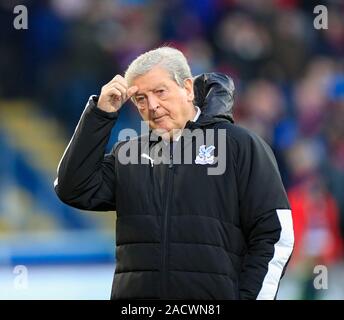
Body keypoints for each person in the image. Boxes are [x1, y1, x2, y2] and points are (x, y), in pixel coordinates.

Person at [54, 46, 294, 300]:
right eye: (140, 99)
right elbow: (72, 188)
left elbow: (275, 234)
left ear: (188, 88)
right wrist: (100, 115)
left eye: (160, 92)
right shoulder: (128, 153)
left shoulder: (239, 144)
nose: (153, 106)